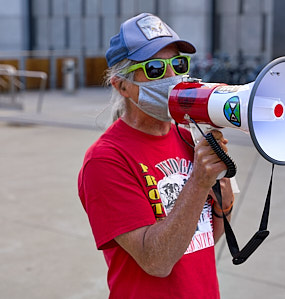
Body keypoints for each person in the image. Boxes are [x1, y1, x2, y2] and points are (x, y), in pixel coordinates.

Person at [78, 13, 235, 298]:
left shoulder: (189, 137)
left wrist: (221, 206)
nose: (172, 77)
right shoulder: (105, 160)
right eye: (154, 69)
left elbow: (204, 239)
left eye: (178, 64)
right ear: (121, 85)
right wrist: (199, 183)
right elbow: (156, 261)